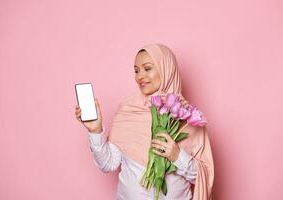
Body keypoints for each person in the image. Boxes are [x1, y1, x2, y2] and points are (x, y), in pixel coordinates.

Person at [75, 43, 214, 200]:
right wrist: (95, 131)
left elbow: (203, 177)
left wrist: (177, 156)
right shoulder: (128, 111)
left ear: (166, 69)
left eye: (147, 68)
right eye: (136, 71)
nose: (139, 76)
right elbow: (108, 164)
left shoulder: (188, 116)